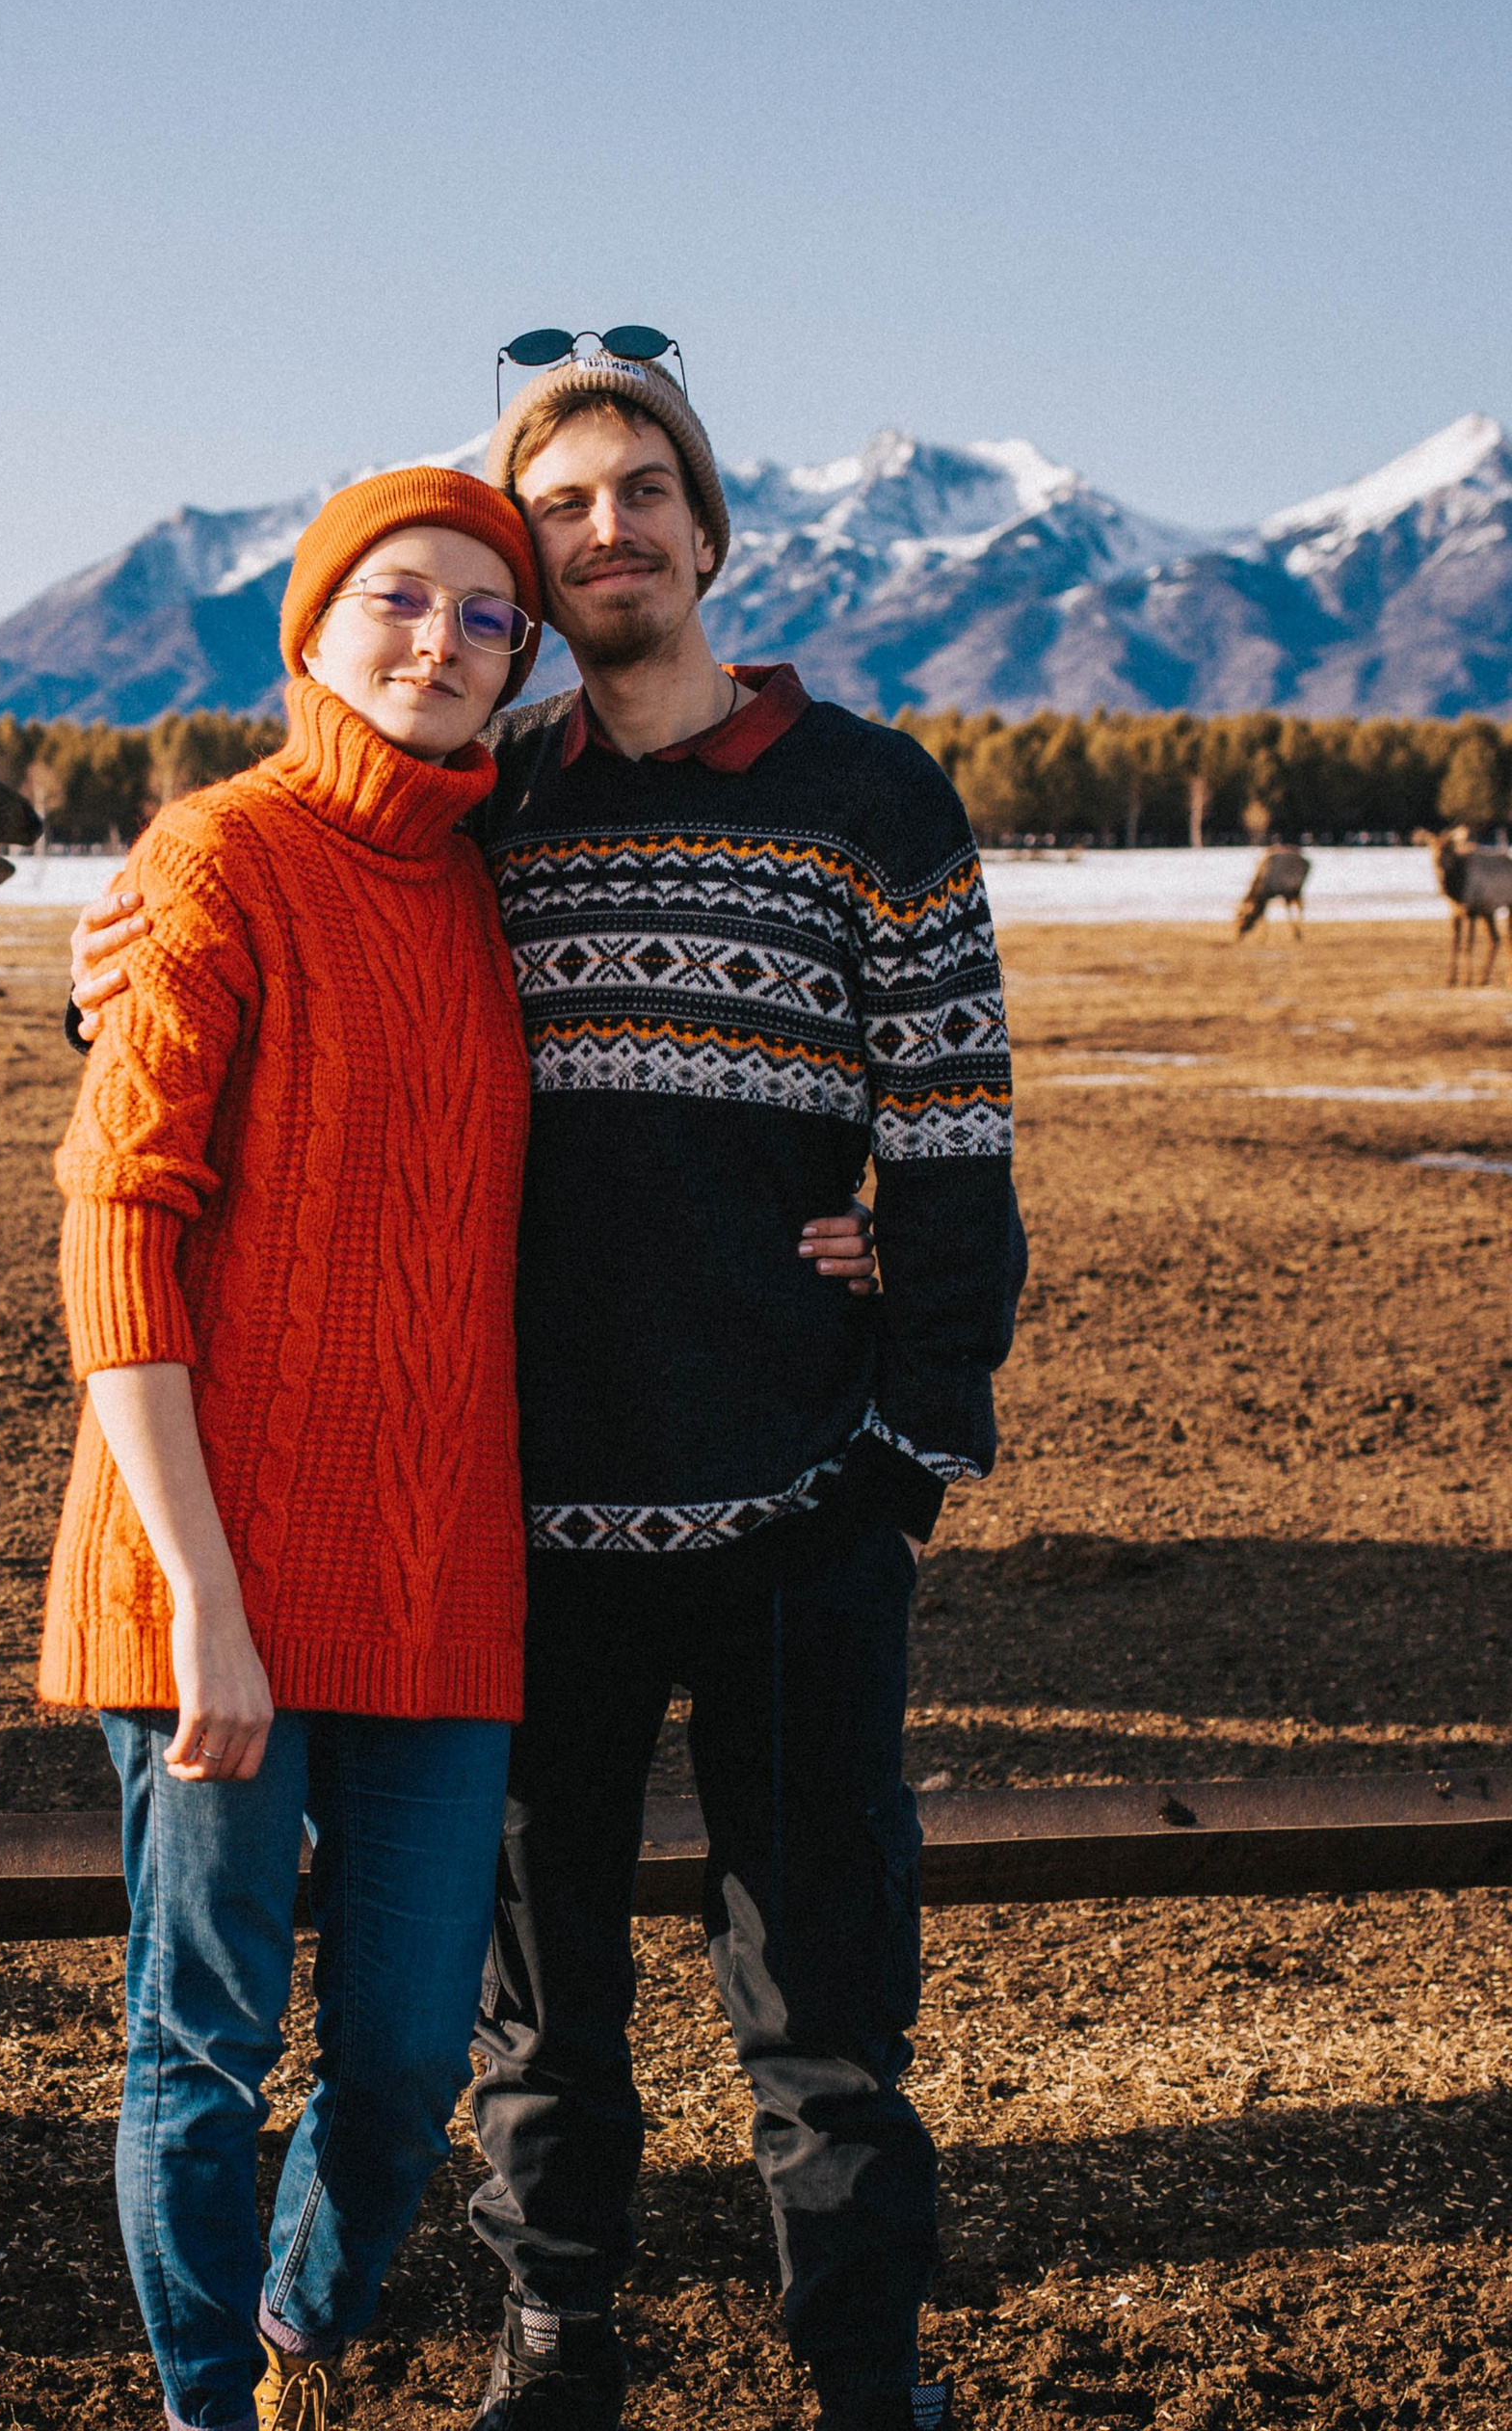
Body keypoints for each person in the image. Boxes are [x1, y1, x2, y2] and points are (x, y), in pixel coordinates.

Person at [71, 339, 1025, 2431]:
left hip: (794, 1508)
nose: (603, 535)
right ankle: (549, 2344)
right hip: (517, 1533)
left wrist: (902, 1428)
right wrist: (116, 946)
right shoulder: (493, 805)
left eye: (638, 494)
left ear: (704, 526)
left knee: (822, 1998)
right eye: (559, 510)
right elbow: (264, 927)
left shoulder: (869, 796)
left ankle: (865, 2371)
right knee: (533, 2007)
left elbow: (952, 1131)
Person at [44, 465, 544, 2431]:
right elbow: (115, 1220)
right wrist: (200, 1598)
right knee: (204, 2041)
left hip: (436, 1582)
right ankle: (198, 2406)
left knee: (416, 2047)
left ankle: (287, 2340)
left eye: (482, 614)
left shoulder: (497, 879)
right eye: (394, 601)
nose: (437, 640)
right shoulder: (214, 858)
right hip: (212, 1574)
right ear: (310, 632)